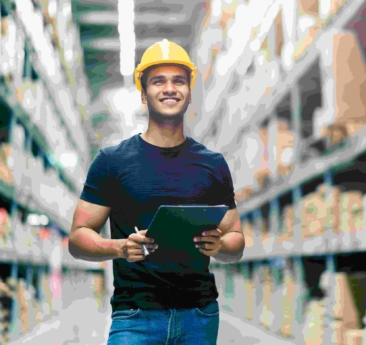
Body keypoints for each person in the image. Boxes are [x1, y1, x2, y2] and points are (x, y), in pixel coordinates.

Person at [68, 39, 245, 345]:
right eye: (158, 81)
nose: (169, 89)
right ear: (143, 93)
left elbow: (237, 241)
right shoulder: (112, 162)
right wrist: (120, 248)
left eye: (178, 81)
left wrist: (220, 245)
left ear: (190, 94)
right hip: (135, 317)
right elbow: (77, 237)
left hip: (199, 317)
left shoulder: (213, 165)